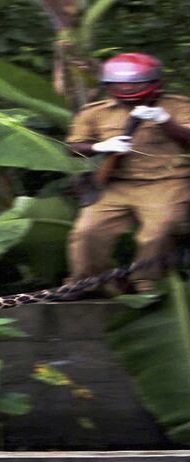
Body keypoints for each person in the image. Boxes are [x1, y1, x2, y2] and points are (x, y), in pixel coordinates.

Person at [65, 52, 190, 294]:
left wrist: (165, 121)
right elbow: (74, 148)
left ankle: (145, 281)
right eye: (119, 83)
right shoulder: (95, 112)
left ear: (154, 82)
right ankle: (86, 282)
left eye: (136, 83)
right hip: (115, 183)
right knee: (87, 231)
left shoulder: (180, 106)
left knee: (160, 228)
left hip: (167, 181)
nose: (127, 88)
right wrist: (101, 146)